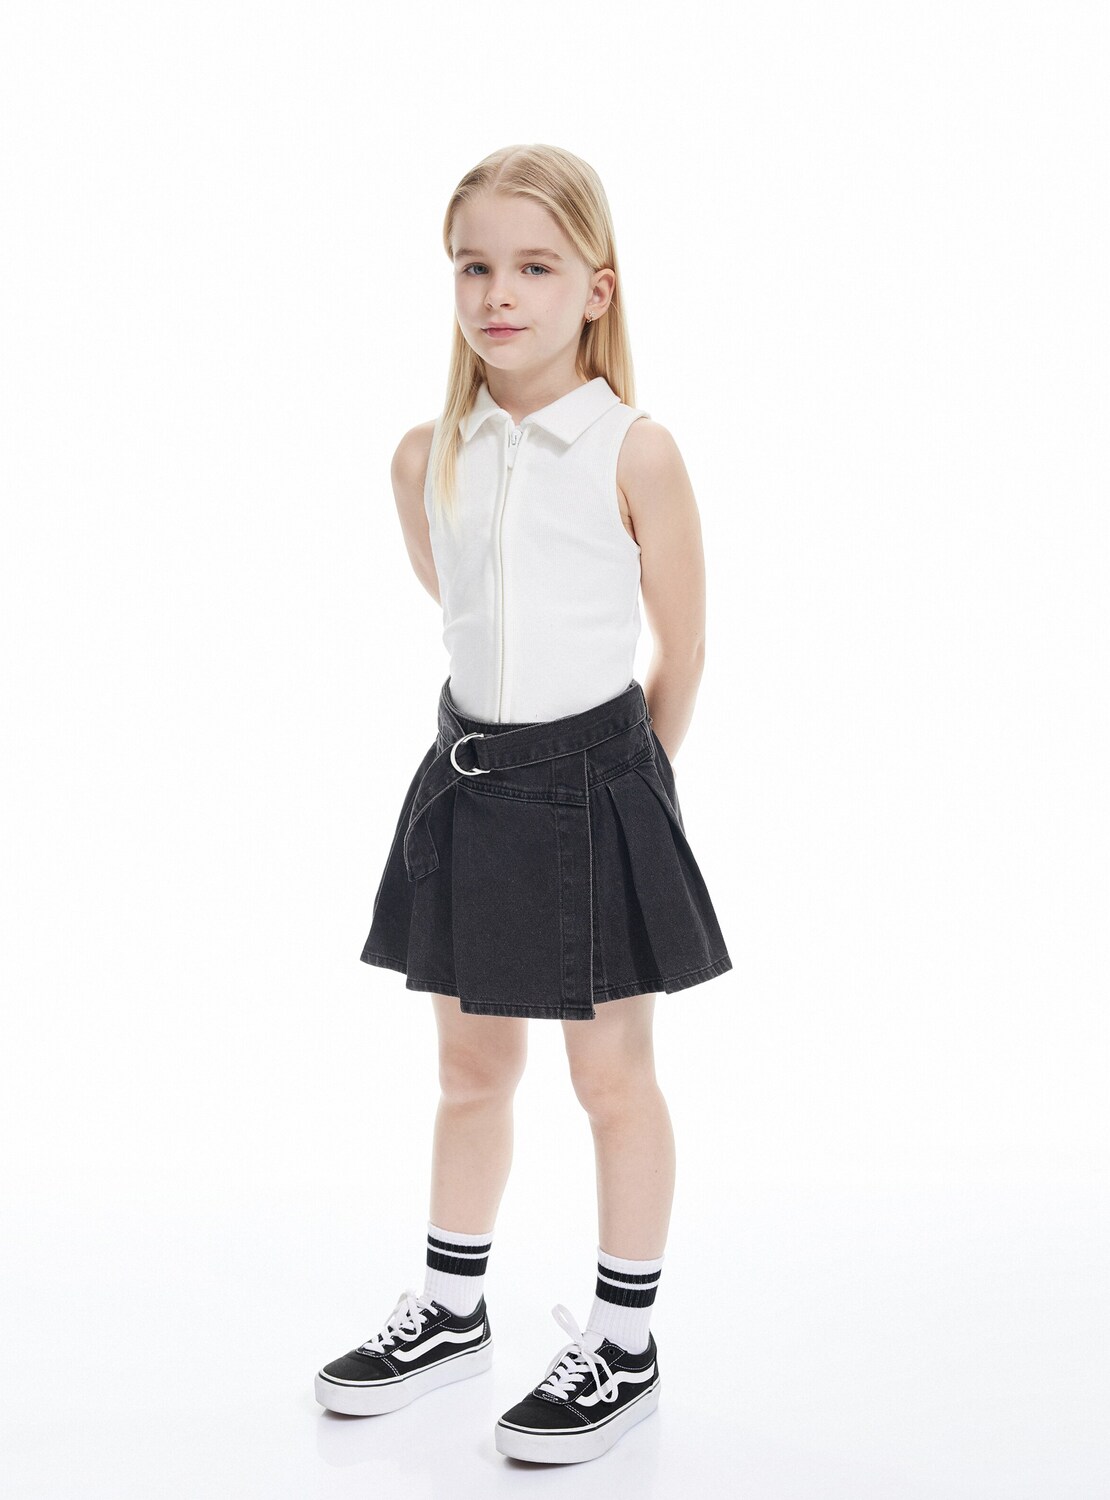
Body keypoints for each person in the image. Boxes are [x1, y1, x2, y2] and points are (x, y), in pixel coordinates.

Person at [315, 143, 733, 1465]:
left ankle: (624, 1340)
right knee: (468, 1069)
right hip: (467, 784)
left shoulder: (636, 451)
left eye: (536, 266)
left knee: (610, 1078)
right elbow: (464, 611)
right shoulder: (420, 458)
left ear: (596, 288)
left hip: (597, 784)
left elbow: (683, 648)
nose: (499, 293)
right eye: (474, 266)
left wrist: (628, 798)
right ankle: (450, 1310)